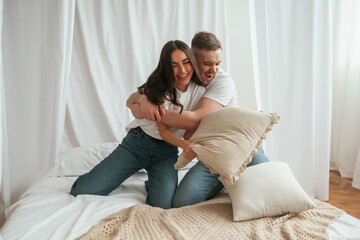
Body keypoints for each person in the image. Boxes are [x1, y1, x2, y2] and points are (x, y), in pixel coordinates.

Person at [127, 31, 269, 208]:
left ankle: (236, 177)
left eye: (217, 63)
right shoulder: (184, 82)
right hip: (211, 155)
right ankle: (226, 179)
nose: (214, 69)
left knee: (271, 188)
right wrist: (142, 100)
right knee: (181, 202)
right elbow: (142, 93)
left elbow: (194, 120)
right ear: (192, 59)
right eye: (208, 64)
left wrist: (151, 109)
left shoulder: (223, 82)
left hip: (239, 147)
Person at [70, 40, 206, 209]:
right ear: (167, 67)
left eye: (186, 62)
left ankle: (153, 181)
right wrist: (142, 101)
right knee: (81, 191)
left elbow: (191, 126)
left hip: (166, 151)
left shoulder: (200, 92)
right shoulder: (160, 85)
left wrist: (189, 142)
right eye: (174, 65)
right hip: (137, 144)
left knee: (162, 205)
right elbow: (133, 103)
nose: (183, 70)